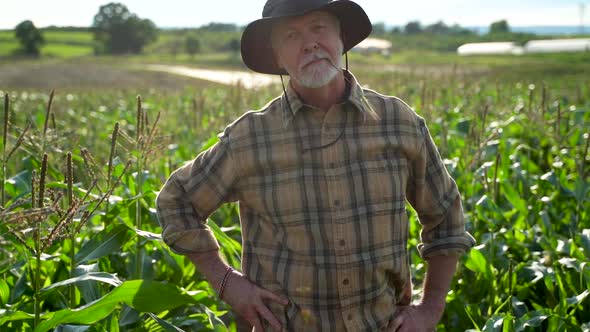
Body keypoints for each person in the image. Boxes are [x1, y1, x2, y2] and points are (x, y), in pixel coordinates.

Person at [156, 0, 476, 331]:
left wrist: (430, 308)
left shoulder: (397, 122)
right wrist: (226, 282)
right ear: (277, 56)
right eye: (292, 35)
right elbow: (176, 201)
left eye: (319, 28)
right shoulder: (249, 138)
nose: (309, 43)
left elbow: (445, 217)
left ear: (341, 38)